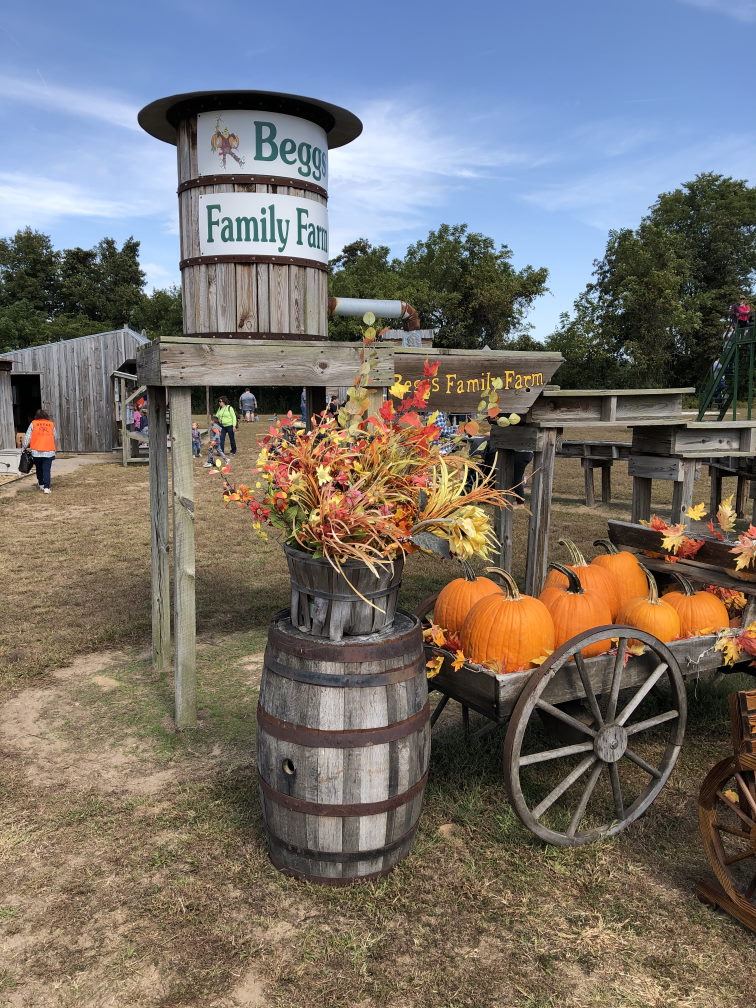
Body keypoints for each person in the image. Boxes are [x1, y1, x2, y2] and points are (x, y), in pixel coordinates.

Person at [23, 408, 56, 494]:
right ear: (46, 416)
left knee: (39, 468)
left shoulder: (33, 423)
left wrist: (24, 447)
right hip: (49, 451)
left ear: (36, 416)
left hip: (36, 452)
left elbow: (27, 437)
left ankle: (41, 484)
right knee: (46, 469)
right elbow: (55, 436)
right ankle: (46, 488)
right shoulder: (51, 424)